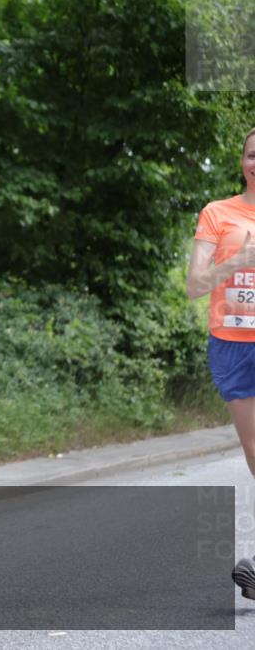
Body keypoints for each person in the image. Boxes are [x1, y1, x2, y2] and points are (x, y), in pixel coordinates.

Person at [186, 127, 255, 602]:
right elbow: (194, 285)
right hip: (232, 344)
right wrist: (240, 261)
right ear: (242, 161)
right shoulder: (218, 213)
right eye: (254, 155)